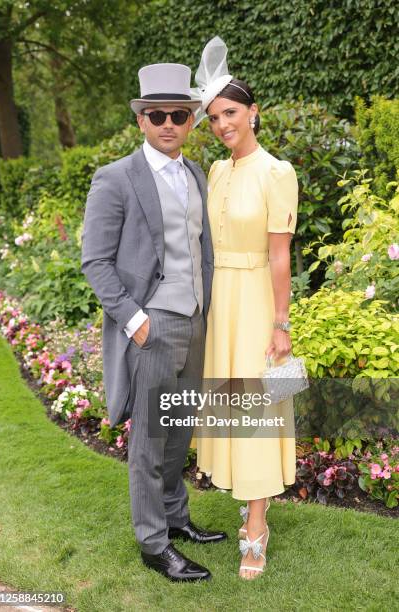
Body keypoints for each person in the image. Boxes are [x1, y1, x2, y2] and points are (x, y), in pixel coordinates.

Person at [81, 62, 227, 583]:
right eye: (157, 114)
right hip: (151, 324)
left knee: (178, 429)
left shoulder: (194, 175)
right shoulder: (116, 178)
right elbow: (95, 260)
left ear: (190, 122)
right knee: (148, 438)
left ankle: (175, 517)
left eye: (179, 114)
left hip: (194, 321)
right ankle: (152, 543)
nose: (169, 123)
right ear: (141, 120)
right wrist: (133, 318)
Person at [194, 38, 299, 580]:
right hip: (222, 306)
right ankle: (249, 503)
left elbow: (280, 255)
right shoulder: (215, 171)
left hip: (258, 299)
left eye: (230, 113)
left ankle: (256, 528)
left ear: (253, 111)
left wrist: (281, 324)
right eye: (212, 117)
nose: (221, 124)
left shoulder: (276, 172)